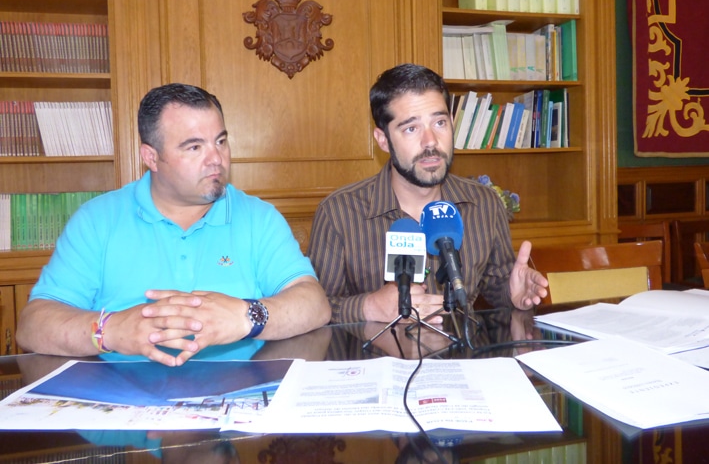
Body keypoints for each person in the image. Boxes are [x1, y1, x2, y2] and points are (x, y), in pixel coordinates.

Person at [16, 83, 331, 366]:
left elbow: (314, 304)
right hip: (125, 409)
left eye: (220, 141)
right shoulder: (97, 220)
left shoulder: (258, 217)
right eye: (194, 147)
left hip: (237, 404)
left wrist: (247, 315)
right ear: (151, 157)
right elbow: (33, 325)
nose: (216, 159)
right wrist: (110, 329)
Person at [307, 63, 547, 324]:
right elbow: (315, 307)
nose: (431, 141)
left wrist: (511, 291)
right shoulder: (339, 212)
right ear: (383, 139)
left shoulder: (483, 203)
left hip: (462, 359)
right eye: (411, 128)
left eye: (440, 122)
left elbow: (497, 283)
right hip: (379, 360)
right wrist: (369, 307)